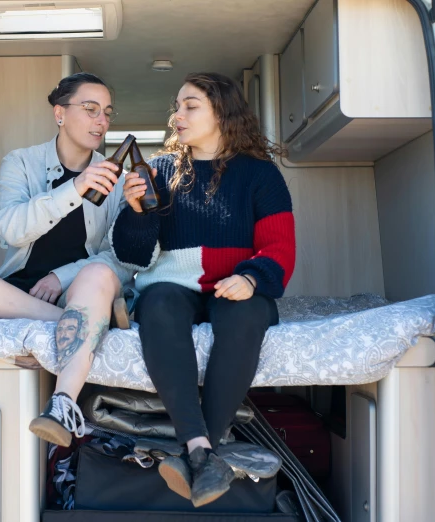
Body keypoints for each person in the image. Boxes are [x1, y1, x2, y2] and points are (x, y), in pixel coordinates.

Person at [110, 72, 295, 507]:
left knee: (246, 313)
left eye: (190, 105)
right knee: (156, 304)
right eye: (177, 106)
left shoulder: (261, 176)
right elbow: (135, 257)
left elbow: (280, 248)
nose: (178, 115)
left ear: (222, 113)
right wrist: (136, 212)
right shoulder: (159, 170)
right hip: (173, 285)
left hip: (236, 284)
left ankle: (196, 451)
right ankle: (204, 451)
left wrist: (250, 278)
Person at [0, 72, 133, 447]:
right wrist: (75, 188)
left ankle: (63, 400)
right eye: (91, 109)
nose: (102, 122)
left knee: (97, 272)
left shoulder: (118, 180)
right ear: (60, 114)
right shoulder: (21, 163)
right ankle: (78, 328)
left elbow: (121, 259)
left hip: (81, 290)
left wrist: (61, 277)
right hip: (21, 289)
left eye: (107, 113)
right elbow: (11, 229)